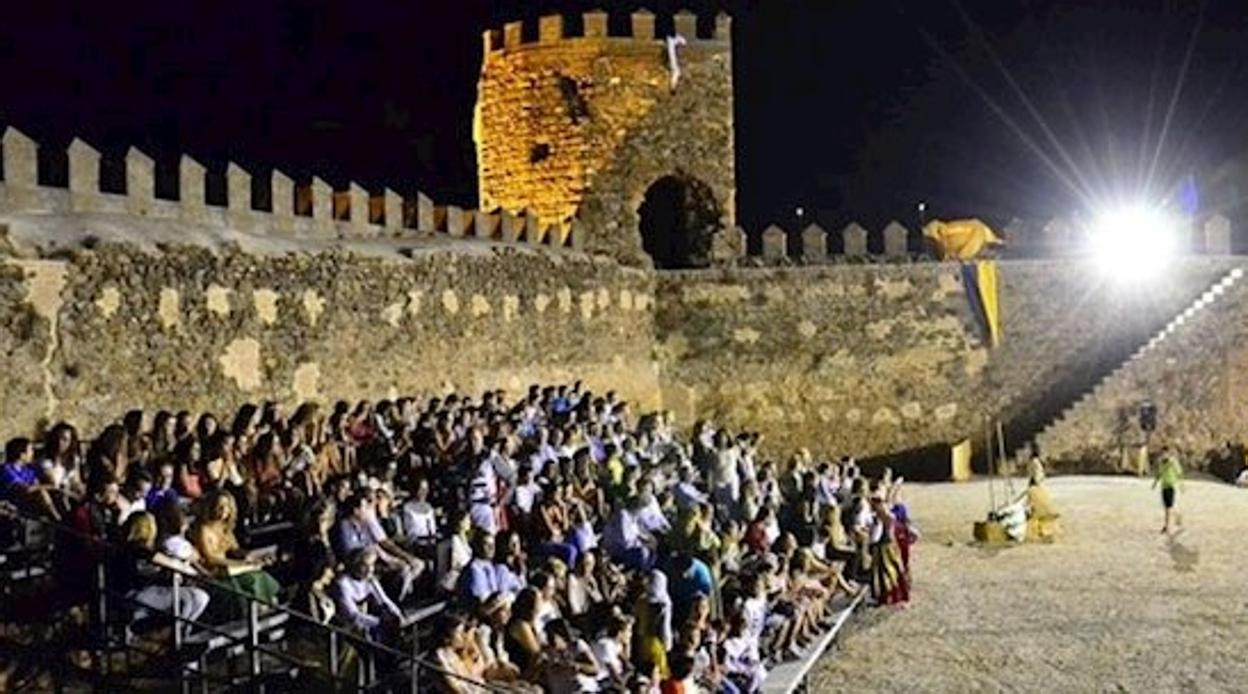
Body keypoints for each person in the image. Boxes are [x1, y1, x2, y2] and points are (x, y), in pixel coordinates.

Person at [333, 546, 404, 640]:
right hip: (349, 625)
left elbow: (384, 600)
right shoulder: (343, 584)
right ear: (355, 565)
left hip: (369, 621)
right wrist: (380, 622)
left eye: (372, 565)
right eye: (365, 565)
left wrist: (397, 614)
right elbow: (352, 614)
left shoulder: (370, 580)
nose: (370, 569)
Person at [1153, 447, 1185, 534]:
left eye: (1165, 453)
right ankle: (1177, 518)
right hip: (1164, 486)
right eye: (1162, 453)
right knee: (1167, 507)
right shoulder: (1161, 463)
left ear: (1168, 453)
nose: (1163, 455)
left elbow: (1179, 473)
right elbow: (1159, 473)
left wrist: (1182, 485)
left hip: (1171, 486)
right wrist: (1155, 483)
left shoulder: (1173, 462)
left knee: (1168, 508)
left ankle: (1166, 526)